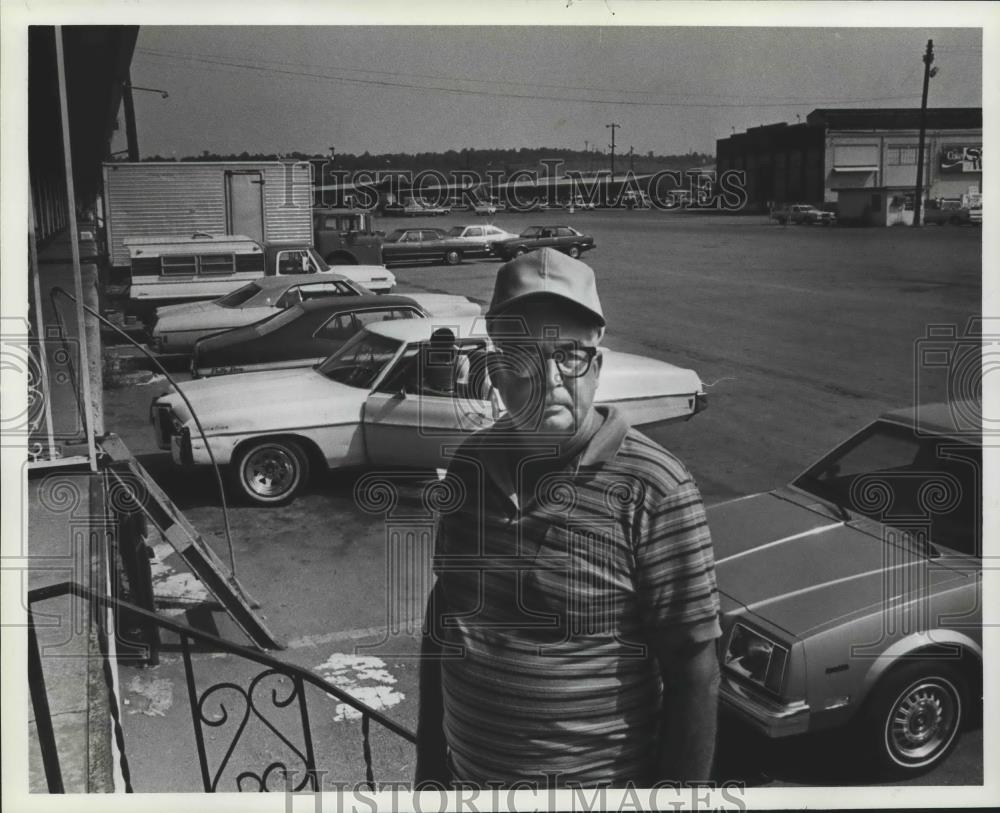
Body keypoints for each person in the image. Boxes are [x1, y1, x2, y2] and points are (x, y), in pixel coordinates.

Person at [415, 248, 721, 789]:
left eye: (569, 354)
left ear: (596, 367)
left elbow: (693, 670)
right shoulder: (467, 468)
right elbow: (444, 615)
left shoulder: (655, 489)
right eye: (525, 355)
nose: (551, 376)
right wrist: (429, 776)